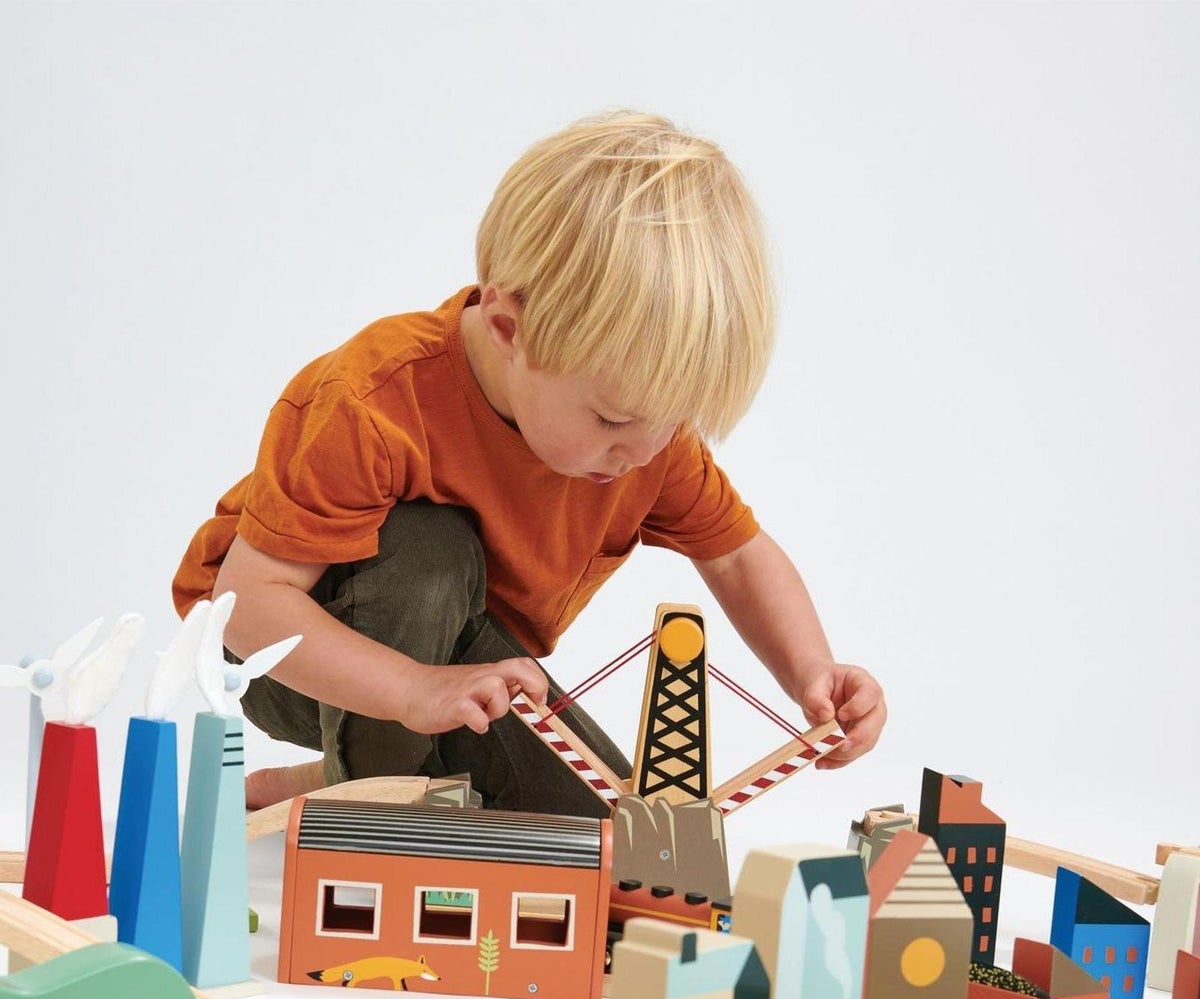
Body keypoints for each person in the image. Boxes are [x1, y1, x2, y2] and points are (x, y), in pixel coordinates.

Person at [173, 111, 886, 815]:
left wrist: (813, 672)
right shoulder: (373, 400)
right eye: (612, 419)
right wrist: (411, 688)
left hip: (463, 661)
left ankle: (332, 780)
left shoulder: (646, 443)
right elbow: (251, 605)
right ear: (510, 330)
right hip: (281, 659)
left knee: (607, 834)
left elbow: (737, 557)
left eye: (671, 424)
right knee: (430, 545)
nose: (641, 452)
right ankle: (370, 798)